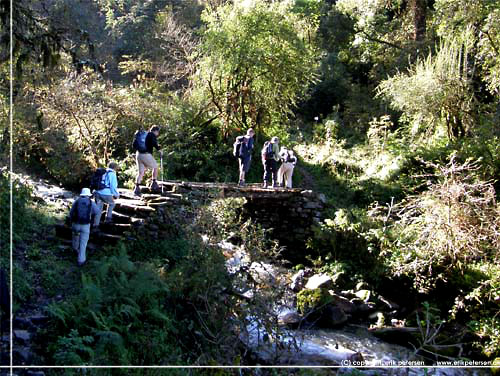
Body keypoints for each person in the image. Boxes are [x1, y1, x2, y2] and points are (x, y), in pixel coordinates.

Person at [70, 188, 99, 266]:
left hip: (75, 224)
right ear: (88, 195)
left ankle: (75, 249)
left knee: (75, 236)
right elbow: (97, 212)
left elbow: (71, 213)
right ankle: (81, 260)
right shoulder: (91, 202)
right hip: (85, 225)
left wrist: (71, 222)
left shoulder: (76, 201)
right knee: (83, 243)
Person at [134, 125, 163, 196]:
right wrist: (160, 150)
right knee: (155, 167)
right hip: (145, 154)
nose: (158, 134)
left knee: (141, 172)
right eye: (158, 132)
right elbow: (154, 144)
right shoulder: (151, 135)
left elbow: (134, 145)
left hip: (138, 154)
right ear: (155, 131)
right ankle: (154, 184)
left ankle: (136, 188)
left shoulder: (143, 135)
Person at [93, 161, 120, 227]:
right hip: (106, 193)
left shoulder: (103, 172)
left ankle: (95, 225)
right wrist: (116, 194)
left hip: (97, 192)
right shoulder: (112, 174)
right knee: (112, 204)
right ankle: (108, 218)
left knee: (99, 209)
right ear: (115, 168)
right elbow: (113, 186)